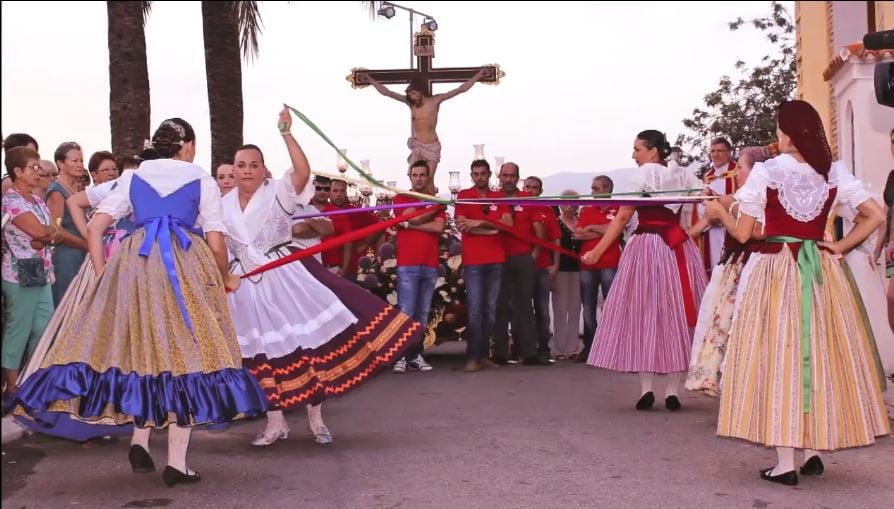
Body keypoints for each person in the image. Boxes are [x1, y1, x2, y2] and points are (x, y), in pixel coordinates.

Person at [9, 118, 267, 487]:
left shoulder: (133, 176)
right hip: (183, 263)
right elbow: (214, 238)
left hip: (136, 263)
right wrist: (222, 277)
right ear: (188, 146)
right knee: (189, 354)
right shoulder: (199, 178)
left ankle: (140, 441)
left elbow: (96, 226)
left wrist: (102, 275)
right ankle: (177, 462)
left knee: (140, 351)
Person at [708, 100, 889, 486]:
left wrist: (719, 213)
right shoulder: (833, 171)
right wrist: (839, 248)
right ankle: (813, 453)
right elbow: (876, 215)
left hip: (774, 268)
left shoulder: (767, 172)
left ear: (787, 131)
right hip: (820, 270)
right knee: (821, 351)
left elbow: (744, 233)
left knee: (777, 356)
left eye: (779, 127)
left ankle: (785, 462)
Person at [223, 108, 423, 446]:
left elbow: (302, 170)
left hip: (284, 279)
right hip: (243, 285)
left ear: (263, 169)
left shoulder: (278, 192)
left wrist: (287, 133)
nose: (246, 171)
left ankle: (316, 420)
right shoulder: (222, 202)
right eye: (241, 165)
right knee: (260, 354)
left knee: (305, 345)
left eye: (253, 165)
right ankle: (276, 423)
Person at [582, 130, 707, 412]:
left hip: (648, 246)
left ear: (653, 151)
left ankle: (647, 389)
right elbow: (708, 202)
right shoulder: (683, 175)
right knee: (676, 313)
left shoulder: (642, 176)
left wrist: (597, 251)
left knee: (646, 312)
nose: (634, 155)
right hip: (677, 247)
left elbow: (624, 216)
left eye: (637, 149)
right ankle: (673, 390)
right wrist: (691, 232)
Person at [685, 146, 766, 397]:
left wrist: (722, 209)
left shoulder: (756, 196)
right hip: (733, 262)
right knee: (720, 322)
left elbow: (751, 231)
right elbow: (715, 216)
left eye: (741, 168)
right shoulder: (743, 194)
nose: (737, 173)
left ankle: (738, 384)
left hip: (747, 264)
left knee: (733, 323)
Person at [361, 69, 490, 191]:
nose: (411, 97)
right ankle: (418, 203)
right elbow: (387, 92)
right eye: (409, 94)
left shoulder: (435, 101)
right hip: (417, 146)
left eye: (413, 93)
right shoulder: (411, 104)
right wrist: (370, 79)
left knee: (429, 178)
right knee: (416, 178)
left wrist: (478, 75)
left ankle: (431, 204)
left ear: (420, 91)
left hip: (432, 146)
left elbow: (461, 89)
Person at [1, 147, 60, 405]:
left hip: (42, 272)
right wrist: (45, 234)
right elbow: (40, 232)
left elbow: (52, 232)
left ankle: (33, 381)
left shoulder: (36, 201)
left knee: (43, 328)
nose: (39, 171)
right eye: (33, 167)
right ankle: (12, 387)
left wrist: (46, 234)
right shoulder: (10, 201)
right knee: (19, 329)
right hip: (18, 274)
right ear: (17, 171)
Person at [392, 160, 446, 373]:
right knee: (406, 312)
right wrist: (435, 208)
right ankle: (400, 357)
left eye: (423, 175)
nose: (419, 178)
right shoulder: (400, 198)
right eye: (415, 175)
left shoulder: (433, 201)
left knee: (422, 313)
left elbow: (438, 227)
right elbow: (411, 217)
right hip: (408, 264)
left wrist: (413, 223)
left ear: (428, 177)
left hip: (429, 264)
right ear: (410, 176)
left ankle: (415, 355)